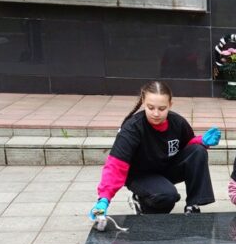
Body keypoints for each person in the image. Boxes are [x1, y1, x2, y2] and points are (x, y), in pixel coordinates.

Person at [89, 81, 220, 218]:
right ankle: (141, 202)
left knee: (198, 151)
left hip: (166, 169)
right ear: (143, 103)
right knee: (167, 197)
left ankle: (193, 205)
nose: (156, 113)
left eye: (162, 108)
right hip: (141, 175)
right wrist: (103, 200)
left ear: (170, 105)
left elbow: (188, 147)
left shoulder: (178, 122)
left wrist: (202, 141)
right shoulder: (132, 128)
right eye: (150, 108)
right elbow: (116, 165)